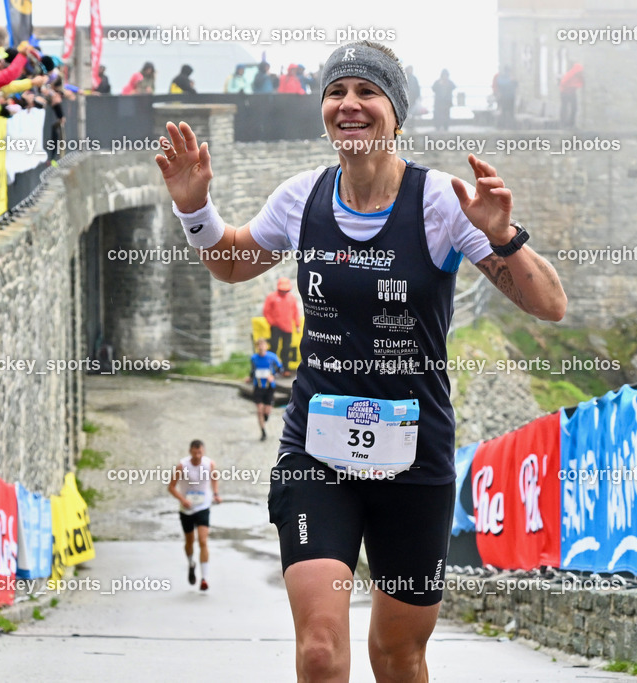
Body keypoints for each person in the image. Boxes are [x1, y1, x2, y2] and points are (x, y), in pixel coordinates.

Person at [156, 40, 566, 681]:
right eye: (336, 93)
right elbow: (234, 261)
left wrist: (501, 237)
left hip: (415, 455)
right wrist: (194, 208)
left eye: (366, 93)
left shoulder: (439, 204)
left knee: (397, 656)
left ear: (396, 113)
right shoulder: (302, 198)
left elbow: (550, 305)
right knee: (320, 649)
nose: (349, 105)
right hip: (317, 452)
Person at [167, 440, 221, 591]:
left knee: (203, 541)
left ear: (203, 452)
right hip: (187, 509)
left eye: (200, 453)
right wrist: (182, 500)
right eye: (195, 453)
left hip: (203, 507)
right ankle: (191, 563)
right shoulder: (182, 466)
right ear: (190, 451)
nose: (197, 456)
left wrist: (216, 494)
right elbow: (171, 487)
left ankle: (204, 578)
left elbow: (214, 478)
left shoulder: (209, 464)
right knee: (189, 542)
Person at [263, 276, 301, 375]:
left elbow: (295, 312)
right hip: (276, 327)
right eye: (282, 290)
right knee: (273, 347)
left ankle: (286, 368)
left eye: (286, 290)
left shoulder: (291, 298)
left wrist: (297, 325)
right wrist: (272, 323)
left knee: (286, 349)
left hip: (288, 327)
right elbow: (266, 312)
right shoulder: (271, 297)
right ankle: (272, 368)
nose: (284, 292)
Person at [248, 338, 283, 440]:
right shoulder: (254, 358)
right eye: (259, 345)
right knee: (259, 410)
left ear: (266, 346)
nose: (261, 347)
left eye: (263, 345)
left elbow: (280, 369)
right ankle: (263, 432)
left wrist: (273, 376)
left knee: (267, 410)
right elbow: (253, 370)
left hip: (269, 386)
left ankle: (266, 415)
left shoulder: (272, 357)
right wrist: (250, 377)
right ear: (257, 347)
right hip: (258, 386)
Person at [559, 60, 583, 128]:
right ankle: (563, 123)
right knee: (564, 107)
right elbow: (563, 83)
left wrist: (574, 86)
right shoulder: (570, 74)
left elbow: (580, 83)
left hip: (572, 92)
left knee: (574, 107)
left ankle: (571, 123)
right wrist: (570, 87)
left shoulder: (579, 73)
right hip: (564, 92)